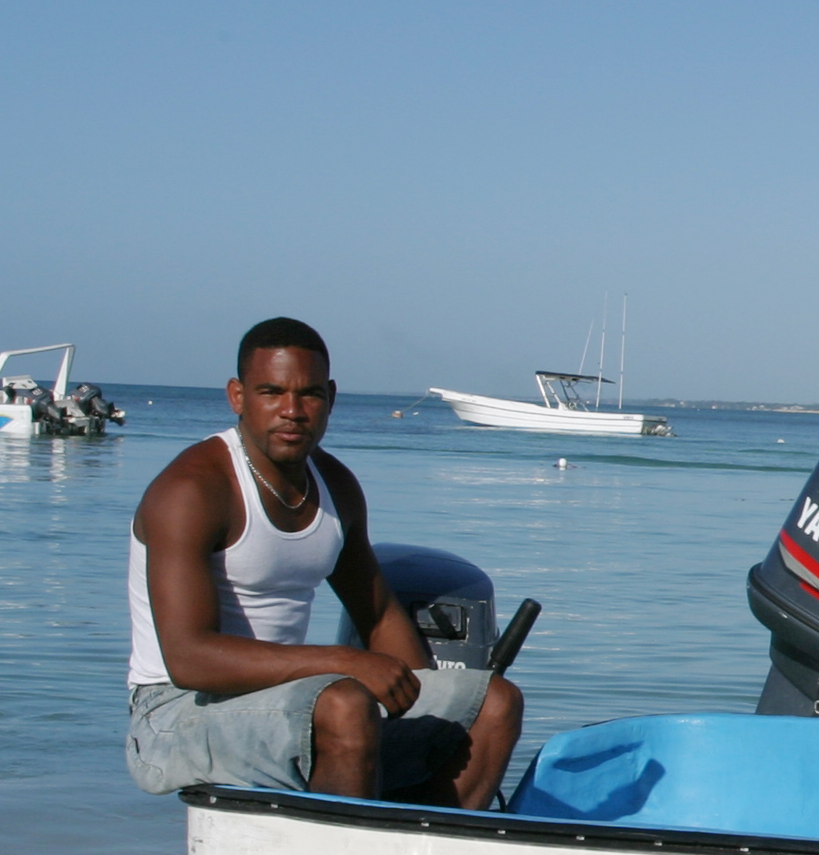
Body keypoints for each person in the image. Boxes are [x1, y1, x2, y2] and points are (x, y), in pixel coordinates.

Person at [126, 318, 522, 805]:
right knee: (345, 702)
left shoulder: (337, 488)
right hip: (173, 713)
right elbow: (188, 660)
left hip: (286, 698)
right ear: (237, 396)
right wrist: (345, 662)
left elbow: (375, 614)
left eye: (309, 394)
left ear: (331, 397)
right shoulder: (192, 490)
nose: (291, 411)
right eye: (271, 392)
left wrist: (427, 706)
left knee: (494, 702)